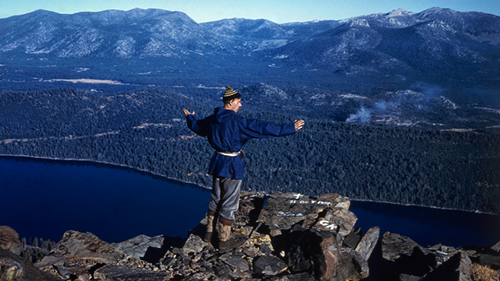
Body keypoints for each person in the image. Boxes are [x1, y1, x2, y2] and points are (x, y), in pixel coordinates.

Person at [183, 86, 305, 249]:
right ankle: (224, 240)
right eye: (239, 102)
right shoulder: (238, 122)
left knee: (216, 196)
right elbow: (264, 128)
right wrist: (290, 128)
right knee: (230, 201)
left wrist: (190, 118)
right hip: (232, 164)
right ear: (231, 102)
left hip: (218, 161)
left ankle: (209, 233)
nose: (240, 105)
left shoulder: (213, 119)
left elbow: (198, 127)